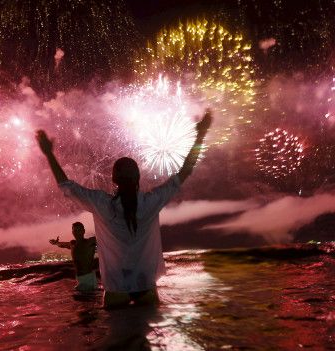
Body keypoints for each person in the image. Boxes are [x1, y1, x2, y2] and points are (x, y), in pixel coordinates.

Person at [36, 110, 213, 308]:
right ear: (137, 178)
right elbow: (185, 171)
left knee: (117, 336)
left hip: (116, 287)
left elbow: (67, 187)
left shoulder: (102, 204)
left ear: (114, 179)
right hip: (145, 285)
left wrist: (49, 153)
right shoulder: (151, 202)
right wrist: (201, 134)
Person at [49, 222, 97, 291]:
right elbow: (63, 245)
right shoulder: (72, 244)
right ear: (72, 232)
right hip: (79, 279)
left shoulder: (89, 242)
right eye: (75, 230)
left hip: (88, 279)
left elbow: (101, 237)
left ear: (83, 231)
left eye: (79, 230)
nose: (77, 233)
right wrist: (56, 243)